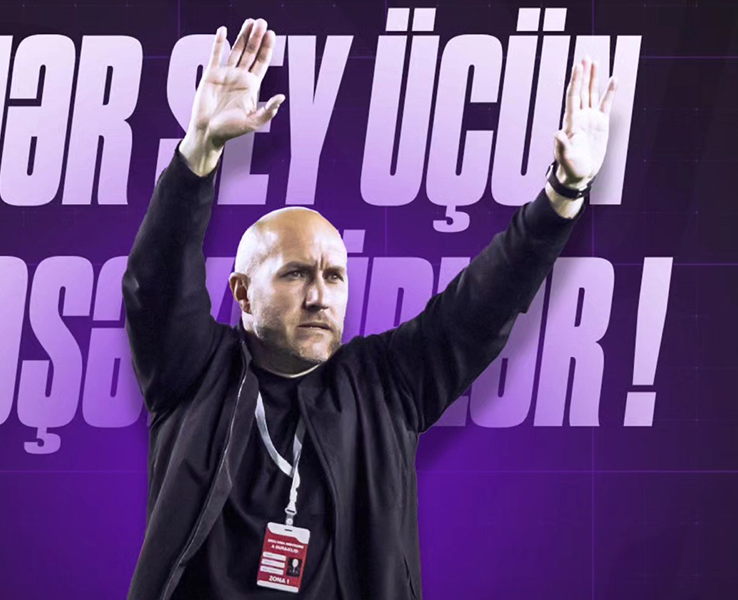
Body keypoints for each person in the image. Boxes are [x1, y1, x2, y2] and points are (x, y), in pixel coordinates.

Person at [122, 17, 617, 600]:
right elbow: (156, 281)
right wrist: (200, 149)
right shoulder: (192, 372)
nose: (319, 295)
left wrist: (563, 193)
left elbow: (483, 305)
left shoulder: (387, 386)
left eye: (334, 276)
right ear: (242, 292)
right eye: (295, 273)